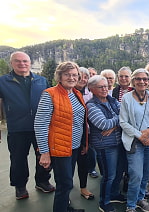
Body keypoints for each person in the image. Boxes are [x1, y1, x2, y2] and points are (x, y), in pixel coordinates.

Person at [0, 51, 55, 200]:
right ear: (11, 63)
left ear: (30, 63)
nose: (22, 64)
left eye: (25, 61)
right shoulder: (3, 81)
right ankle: (20, 186)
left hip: (41, 127)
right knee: (18, 159)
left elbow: (51, 102)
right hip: (17, 127)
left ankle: (43, 181)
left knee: (43, 156)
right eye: (17, 61)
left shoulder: (42, 81)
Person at [34, 61, 87, 212]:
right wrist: (44, 153)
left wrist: (83, 143)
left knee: (67, 180)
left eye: (74, 75)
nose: (71, 77)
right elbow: (40, 124)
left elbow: (78, 122)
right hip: (59, 147)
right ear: (60, 76)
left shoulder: (76, 93)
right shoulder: (50, 94)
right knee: (65, 184)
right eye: (67, 74)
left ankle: (65, 207)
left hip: (74, 146)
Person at [119, 68, 149, 212]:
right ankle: (131, 204)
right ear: (133, 81)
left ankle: (140, 198)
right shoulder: (127, 98)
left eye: (145, 79)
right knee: (136, 174)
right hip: (135, 142)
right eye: (138, 79)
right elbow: (123, 122)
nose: (142, 81)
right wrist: (140, 136)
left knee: (146, 173)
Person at [86, 75, 126, 212]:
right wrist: (118, 121)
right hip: (105, 145)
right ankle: (104, 201)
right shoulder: (91, 106)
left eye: (106, 86)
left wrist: (114, 126)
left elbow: (126, 114)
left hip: (118, 141)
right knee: (109, 175)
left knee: (119, 171)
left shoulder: (112, 100)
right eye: (100, 87)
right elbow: (103, 124)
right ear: (92, 89)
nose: (105, 89)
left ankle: (114, 194)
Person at [74, 67, 94, 200]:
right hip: (69, 134)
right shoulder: (67, 92)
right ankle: (65, 192)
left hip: (85, 133)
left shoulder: (90, 94)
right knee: (66, 167)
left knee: (83, 162)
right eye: (79, 76)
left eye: (85, 77)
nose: (82, 79)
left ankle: (83, 188)